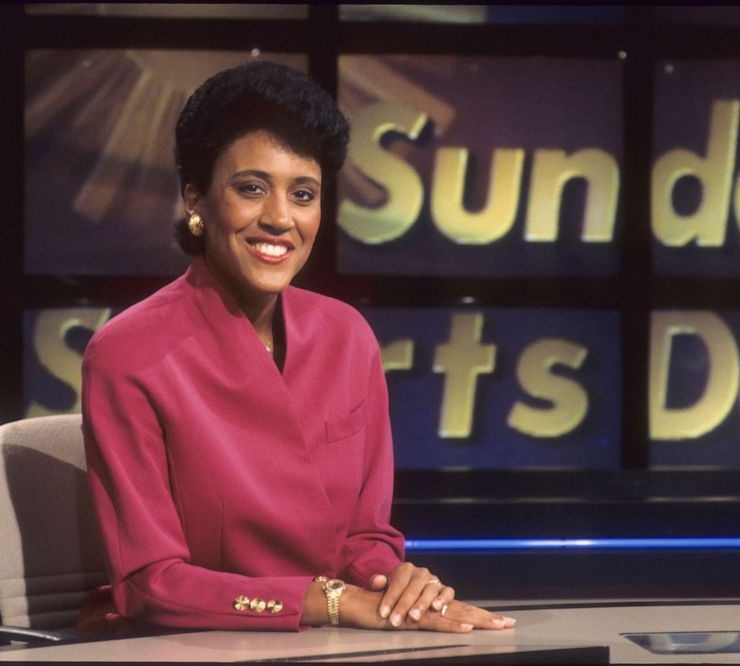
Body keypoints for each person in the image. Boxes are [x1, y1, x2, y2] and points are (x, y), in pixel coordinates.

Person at [78, 61, 515, 634]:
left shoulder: (348, 337)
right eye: (251, 188)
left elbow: (363, 536)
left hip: (333, 641)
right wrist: (330, 601)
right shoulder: (127, 353)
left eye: (303, 194)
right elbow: (150, 582)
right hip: (185, 645)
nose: (281, 219)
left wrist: (393, 586)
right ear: (197, 200)